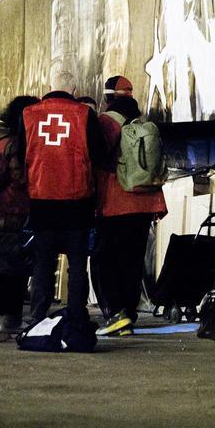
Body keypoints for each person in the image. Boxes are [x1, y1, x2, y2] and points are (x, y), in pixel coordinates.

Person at [19, 67, 109, 324]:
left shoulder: (28, 115)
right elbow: (99, 155)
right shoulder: (83, 114)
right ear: (74, 90)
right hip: (77, 201)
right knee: (77, 263)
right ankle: (77, 317)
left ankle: (37, 318)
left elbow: (20, 156)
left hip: (41, 200)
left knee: (43, 262)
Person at [93, 85, 167, 336]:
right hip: (145, 201)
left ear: (107, 98)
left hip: (115, 201)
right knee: (133, 260)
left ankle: (116, 314)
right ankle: (128, 315)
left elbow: (97, 156)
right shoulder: (144, 122)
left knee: (107, 259)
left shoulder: (106, 121)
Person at [0, 95, 39, 334]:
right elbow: (19, 178)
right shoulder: (14, 144)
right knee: (13, 268)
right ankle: (11, 318)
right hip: (12, 211)